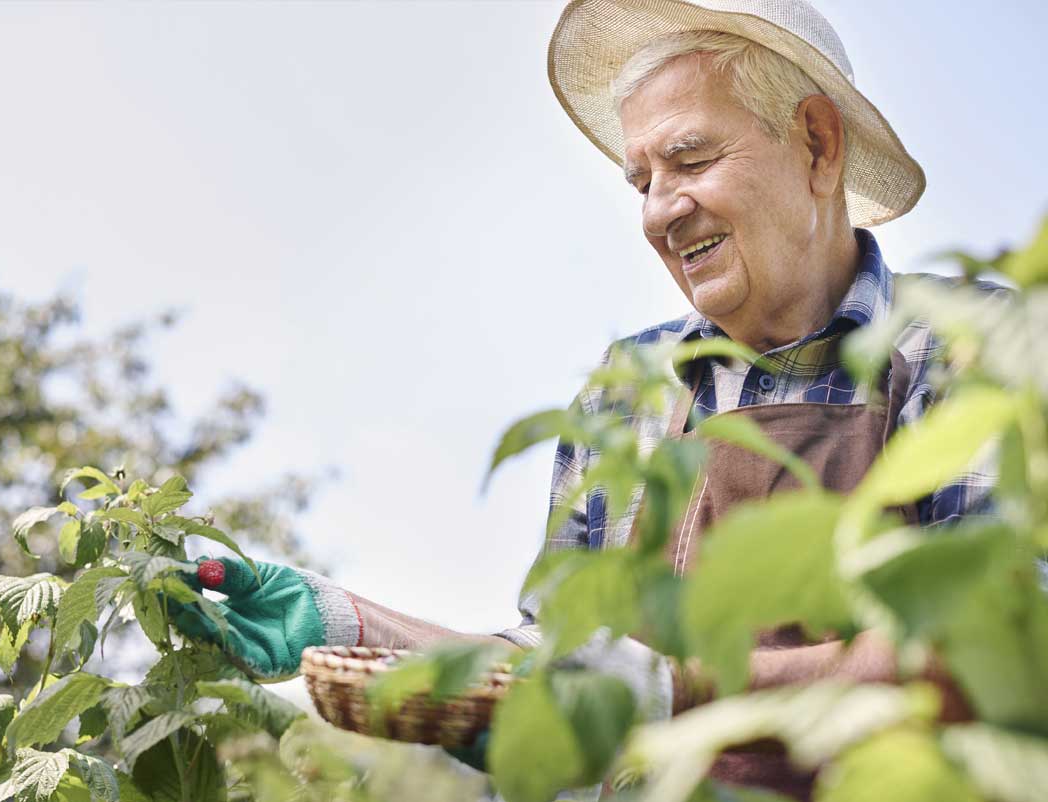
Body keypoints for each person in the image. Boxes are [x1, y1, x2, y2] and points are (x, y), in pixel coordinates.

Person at [169, 1, 998, 797]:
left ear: (817, 144)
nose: (660, 211)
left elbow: (993, 649)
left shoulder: (969, 350)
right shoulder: (627, 391)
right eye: (641, 179)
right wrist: (350, 624)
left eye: (692, 159)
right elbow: (565, 662)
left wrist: (679, 692)